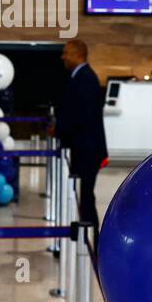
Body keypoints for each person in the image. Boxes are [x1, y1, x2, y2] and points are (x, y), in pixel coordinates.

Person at [55, 39, 108, 252]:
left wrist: (60, 129)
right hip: (83, 148)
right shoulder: (79, 78)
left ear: (77, 54)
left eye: (66, 53)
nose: (63, 57)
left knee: (85, 195)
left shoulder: (85, 79)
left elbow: (81, 117)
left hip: (87, 150)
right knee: (81, 195)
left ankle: (92, 243)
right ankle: (83, 238)